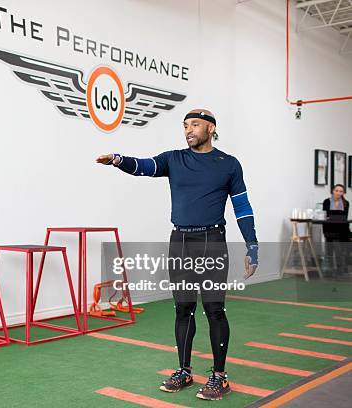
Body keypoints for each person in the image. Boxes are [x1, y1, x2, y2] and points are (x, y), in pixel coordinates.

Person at [96, 109, 258, 401]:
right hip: (180, 240)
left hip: (212, 240)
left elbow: (242, 208)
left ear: (211, 128)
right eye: (185, 126)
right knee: (183, 308)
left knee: (214, 309)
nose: (188, 130)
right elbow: (145, 166)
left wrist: (252, 245)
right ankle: (184, 371)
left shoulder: (229, 165)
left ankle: (219, 377)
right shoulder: (174, 158)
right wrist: (119, 161)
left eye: (195, 124)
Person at [322, 184, 350, 276]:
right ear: (333, 191)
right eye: (336, 190)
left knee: (342, 249)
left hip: (342, 228)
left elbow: (344, 216)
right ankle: (331, 269)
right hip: (330, 229)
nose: (338, 193)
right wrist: (335, 216)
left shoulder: (346, 203)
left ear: (343, 193)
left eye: (341, 191)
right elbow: (326, 215)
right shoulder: (326, 201)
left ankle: (341, 269)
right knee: (331, 249)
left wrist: (333, 216)